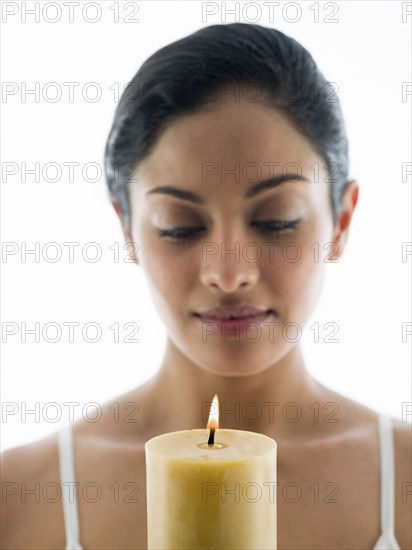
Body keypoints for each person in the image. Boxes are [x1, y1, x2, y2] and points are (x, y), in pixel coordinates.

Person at [1, 22, 410, 550]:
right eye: (179, 226)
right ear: (127, 230)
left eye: (277, 220)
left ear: (343, 221)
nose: (228, 273)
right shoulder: (19, 500)